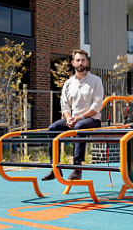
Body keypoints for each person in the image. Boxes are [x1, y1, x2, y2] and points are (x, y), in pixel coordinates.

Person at [44, 50, 105, 181]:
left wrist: (79, 118)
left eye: (83, 60)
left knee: (79, 127)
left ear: (87, 62)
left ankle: (77, 168)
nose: (80, 63)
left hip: (91, 119)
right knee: (52, 129)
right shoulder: (68, 83)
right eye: (78, 60)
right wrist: (68, 119)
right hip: (73, 119)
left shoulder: (95, 81)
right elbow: (64, 106)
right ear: (73, 62)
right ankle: (55, 168)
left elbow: (96, 106)